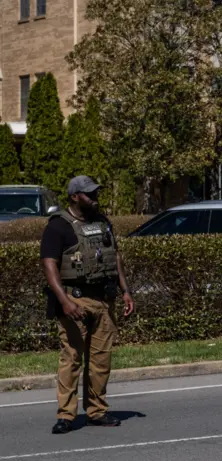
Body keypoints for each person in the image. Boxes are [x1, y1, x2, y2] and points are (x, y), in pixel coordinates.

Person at [40, 175, 135, 434]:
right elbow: (50, 265)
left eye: (96, 193)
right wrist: (64, 301)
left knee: (100, 361)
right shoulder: (58, 226)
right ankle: (66, 415)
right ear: (74, 197)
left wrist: (125, 291)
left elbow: (115, 258)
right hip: (75, 299)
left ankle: (96, 411)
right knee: (71, 359)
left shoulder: (103, 222)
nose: (95, 198)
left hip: (104, 300)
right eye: (89, 194)